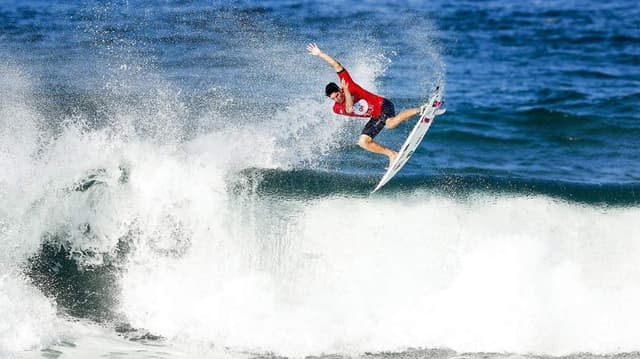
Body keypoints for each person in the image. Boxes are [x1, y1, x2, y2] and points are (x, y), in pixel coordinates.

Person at [307, 42, 427, 167]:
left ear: (339, 90)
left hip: (383, 105)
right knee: (363, 142)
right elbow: (349, 108)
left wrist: (320, 54)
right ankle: (392, 154)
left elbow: (336, 65)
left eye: (337, 95)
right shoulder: (337, 108)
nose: (336, 99)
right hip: (376, 116)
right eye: (333, 99)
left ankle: (421, 109)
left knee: (390, 124)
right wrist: (347, 92)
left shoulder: (349, 84)